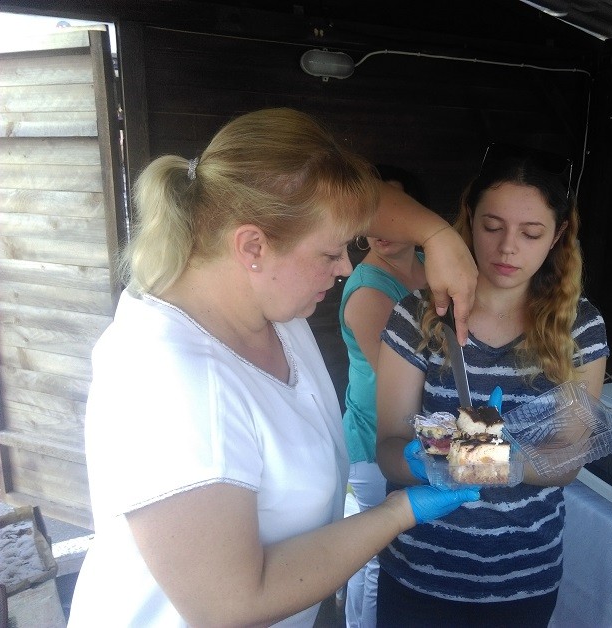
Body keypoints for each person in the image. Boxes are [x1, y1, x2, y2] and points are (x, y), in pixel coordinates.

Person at [67, 107, 482, 628]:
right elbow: (232, 604)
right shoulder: (171, 382)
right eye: (330, 253)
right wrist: (400, 512)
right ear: (253, 246)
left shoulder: (262, 303)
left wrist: (438, 235)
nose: (345, 267)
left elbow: (364, 205)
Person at [374, 143, 610, 627]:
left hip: (521, 575)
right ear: (468, 219)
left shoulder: (580, 328)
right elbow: (389, 449)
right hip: (420, 569)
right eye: (492, 226)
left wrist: (490, 461)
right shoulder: (417, 315)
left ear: (558, 235)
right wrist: (421, 462)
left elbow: (567, 459)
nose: (507, 248)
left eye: (531, 233)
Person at [339, 165, 429, 628]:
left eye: (392, 215)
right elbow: (397, 380)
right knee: (377, 554)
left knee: (383, 548)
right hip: (376, 441)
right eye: (371, 217)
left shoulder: (428, 266)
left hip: (418, 434)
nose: (380, 229)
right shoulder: (369, 291)